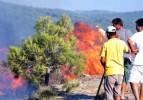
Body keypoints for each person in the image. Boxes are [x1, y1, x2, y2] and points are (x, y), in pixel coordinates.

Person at [100, 26, 129, 100]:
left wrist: (105, 67)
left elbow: (102, 60)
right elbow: (128, 50)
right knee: (117, 93)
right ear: (115, 33)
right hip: (120, 72)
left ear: (108, 34)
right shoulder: (121, 43)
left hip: (110, 72)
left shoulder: (106, 44)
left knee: (109, 93)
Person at [112, 18, 132, 99]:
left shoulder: (127, 32)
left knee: (125, 77)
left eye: (114, 24)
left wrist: (132, 52)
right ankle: (116, 94)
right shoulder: (112, 33)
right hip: (116, 58)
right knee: (116, 76)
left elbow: (131, 42)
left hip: (126, 58)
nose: (113, 26)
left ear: (118, 24)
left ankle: (122, 94)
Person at [128, 18, 143, 100]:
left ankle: (137, 98)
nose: (136, 27)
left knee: (132, 80)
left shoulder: (138, 34)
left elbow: (129, 40)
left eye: (136, 25)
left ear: (141, 26)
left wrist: (133, 49)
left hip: (138, 62)